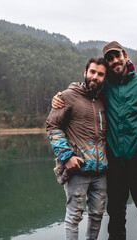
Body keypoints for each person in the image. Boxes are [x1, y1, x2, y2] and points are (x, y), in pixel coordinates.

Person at [52, 41, 137, 240]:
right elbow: (83, 89)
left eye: (117, 56)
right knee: (115, 219)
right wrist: (59, 97)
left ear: (125, 55)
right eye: (110, 58)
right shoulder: (104, 87)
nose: (115, 61)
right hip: (115, 167)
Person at [46, 57, 109, 240]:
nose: (95, 77)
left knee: (97, 216)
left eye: (100, 74)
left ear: (104, 78)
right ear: (85, 73)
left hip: (101, 170)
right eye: (92, 72)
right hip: (78, 169)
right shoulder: (68, 96)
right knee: (74, 217)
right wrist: (66, 157)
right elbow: (52, 126)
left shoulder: (104, 98)